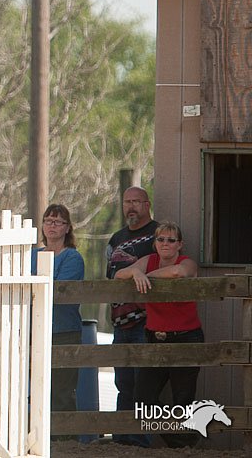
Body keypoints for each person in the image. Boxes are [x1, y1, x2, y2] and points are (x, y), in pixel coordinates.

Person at [115, 221, 202, 448]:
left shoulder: (187, 262)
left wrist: (146, 277)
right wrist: (135, 271)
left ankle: (183, 446)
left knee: (182, 399)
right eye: (161, 239)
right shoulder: (148, 260)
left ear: (179, 245)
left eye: (171, 240)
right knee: (143, 399)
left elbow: (178, 272)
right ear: (154, 243)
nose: (165, 244)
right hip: (154, 337)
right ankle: (181, 443)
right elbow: (119, 275)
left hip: (186, 337)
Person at [105, 186, 158, 447]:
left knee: (143, 382)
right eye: (127, 202)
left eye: (137, 201)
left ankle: (141, 439)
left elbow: (166, 264)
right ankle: (121, 435)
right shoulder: (116, 238)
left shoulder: (158, 234)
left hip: (147, 320)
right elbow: (109, 276)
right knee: (123, 381)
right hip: (119, 320)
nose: (131, 207)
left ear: (147, 204)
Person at [31, 204, 85, 425]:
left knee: (62, 389)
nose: (52, 226)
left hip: (63, 331)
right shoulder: (31, 255)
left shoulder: (72, 257)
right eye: (48, 220)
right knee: (36, 388)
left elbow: (58, 290)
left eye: (58, 222)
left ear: (67, 228)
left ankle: (65, 438)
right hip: (34, 330)